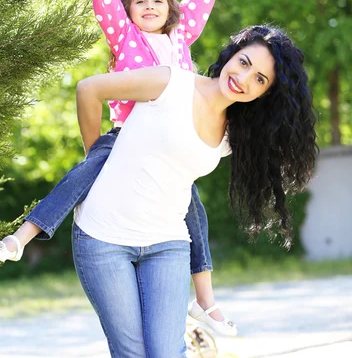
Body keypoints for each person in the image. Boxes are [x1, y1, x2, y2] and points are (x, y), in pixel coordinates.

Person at [0, 0, 252, 337]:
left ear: (170, 10)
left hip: (173, 151)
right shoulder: (124, 38)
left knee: (194, 216)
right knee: (83, 173)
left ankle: (205, 301)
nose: (149, 6)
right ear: (128, 11)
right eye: (140, 1)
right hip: (124, 139)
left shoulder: (181, 38)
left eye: (158, 1)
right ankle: (22, 237)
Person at [72, 24, 317, 357]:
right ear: (232, 54)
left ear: (266, 93)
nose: (244, 79)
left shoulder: (236, 134)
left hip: (168, 244)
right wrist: (94, 163)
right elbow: (89, 89)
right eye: (244, 63)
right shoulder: (171, 82)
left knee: (167, 353)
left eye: (260, 79)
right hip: (103, 237)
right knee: (131, 354)